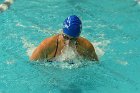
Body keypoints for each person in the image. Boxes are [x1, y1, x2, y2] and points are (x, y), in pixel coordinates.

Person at [30, 15, 98, 62]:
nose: (68, 42)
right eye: (66, 37)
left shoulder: (86, 47)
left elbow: (96, 65)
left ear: (78, 37)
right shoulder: (47, 45)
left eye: (73, 39)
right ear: (62, 32)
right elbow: (32, 62)